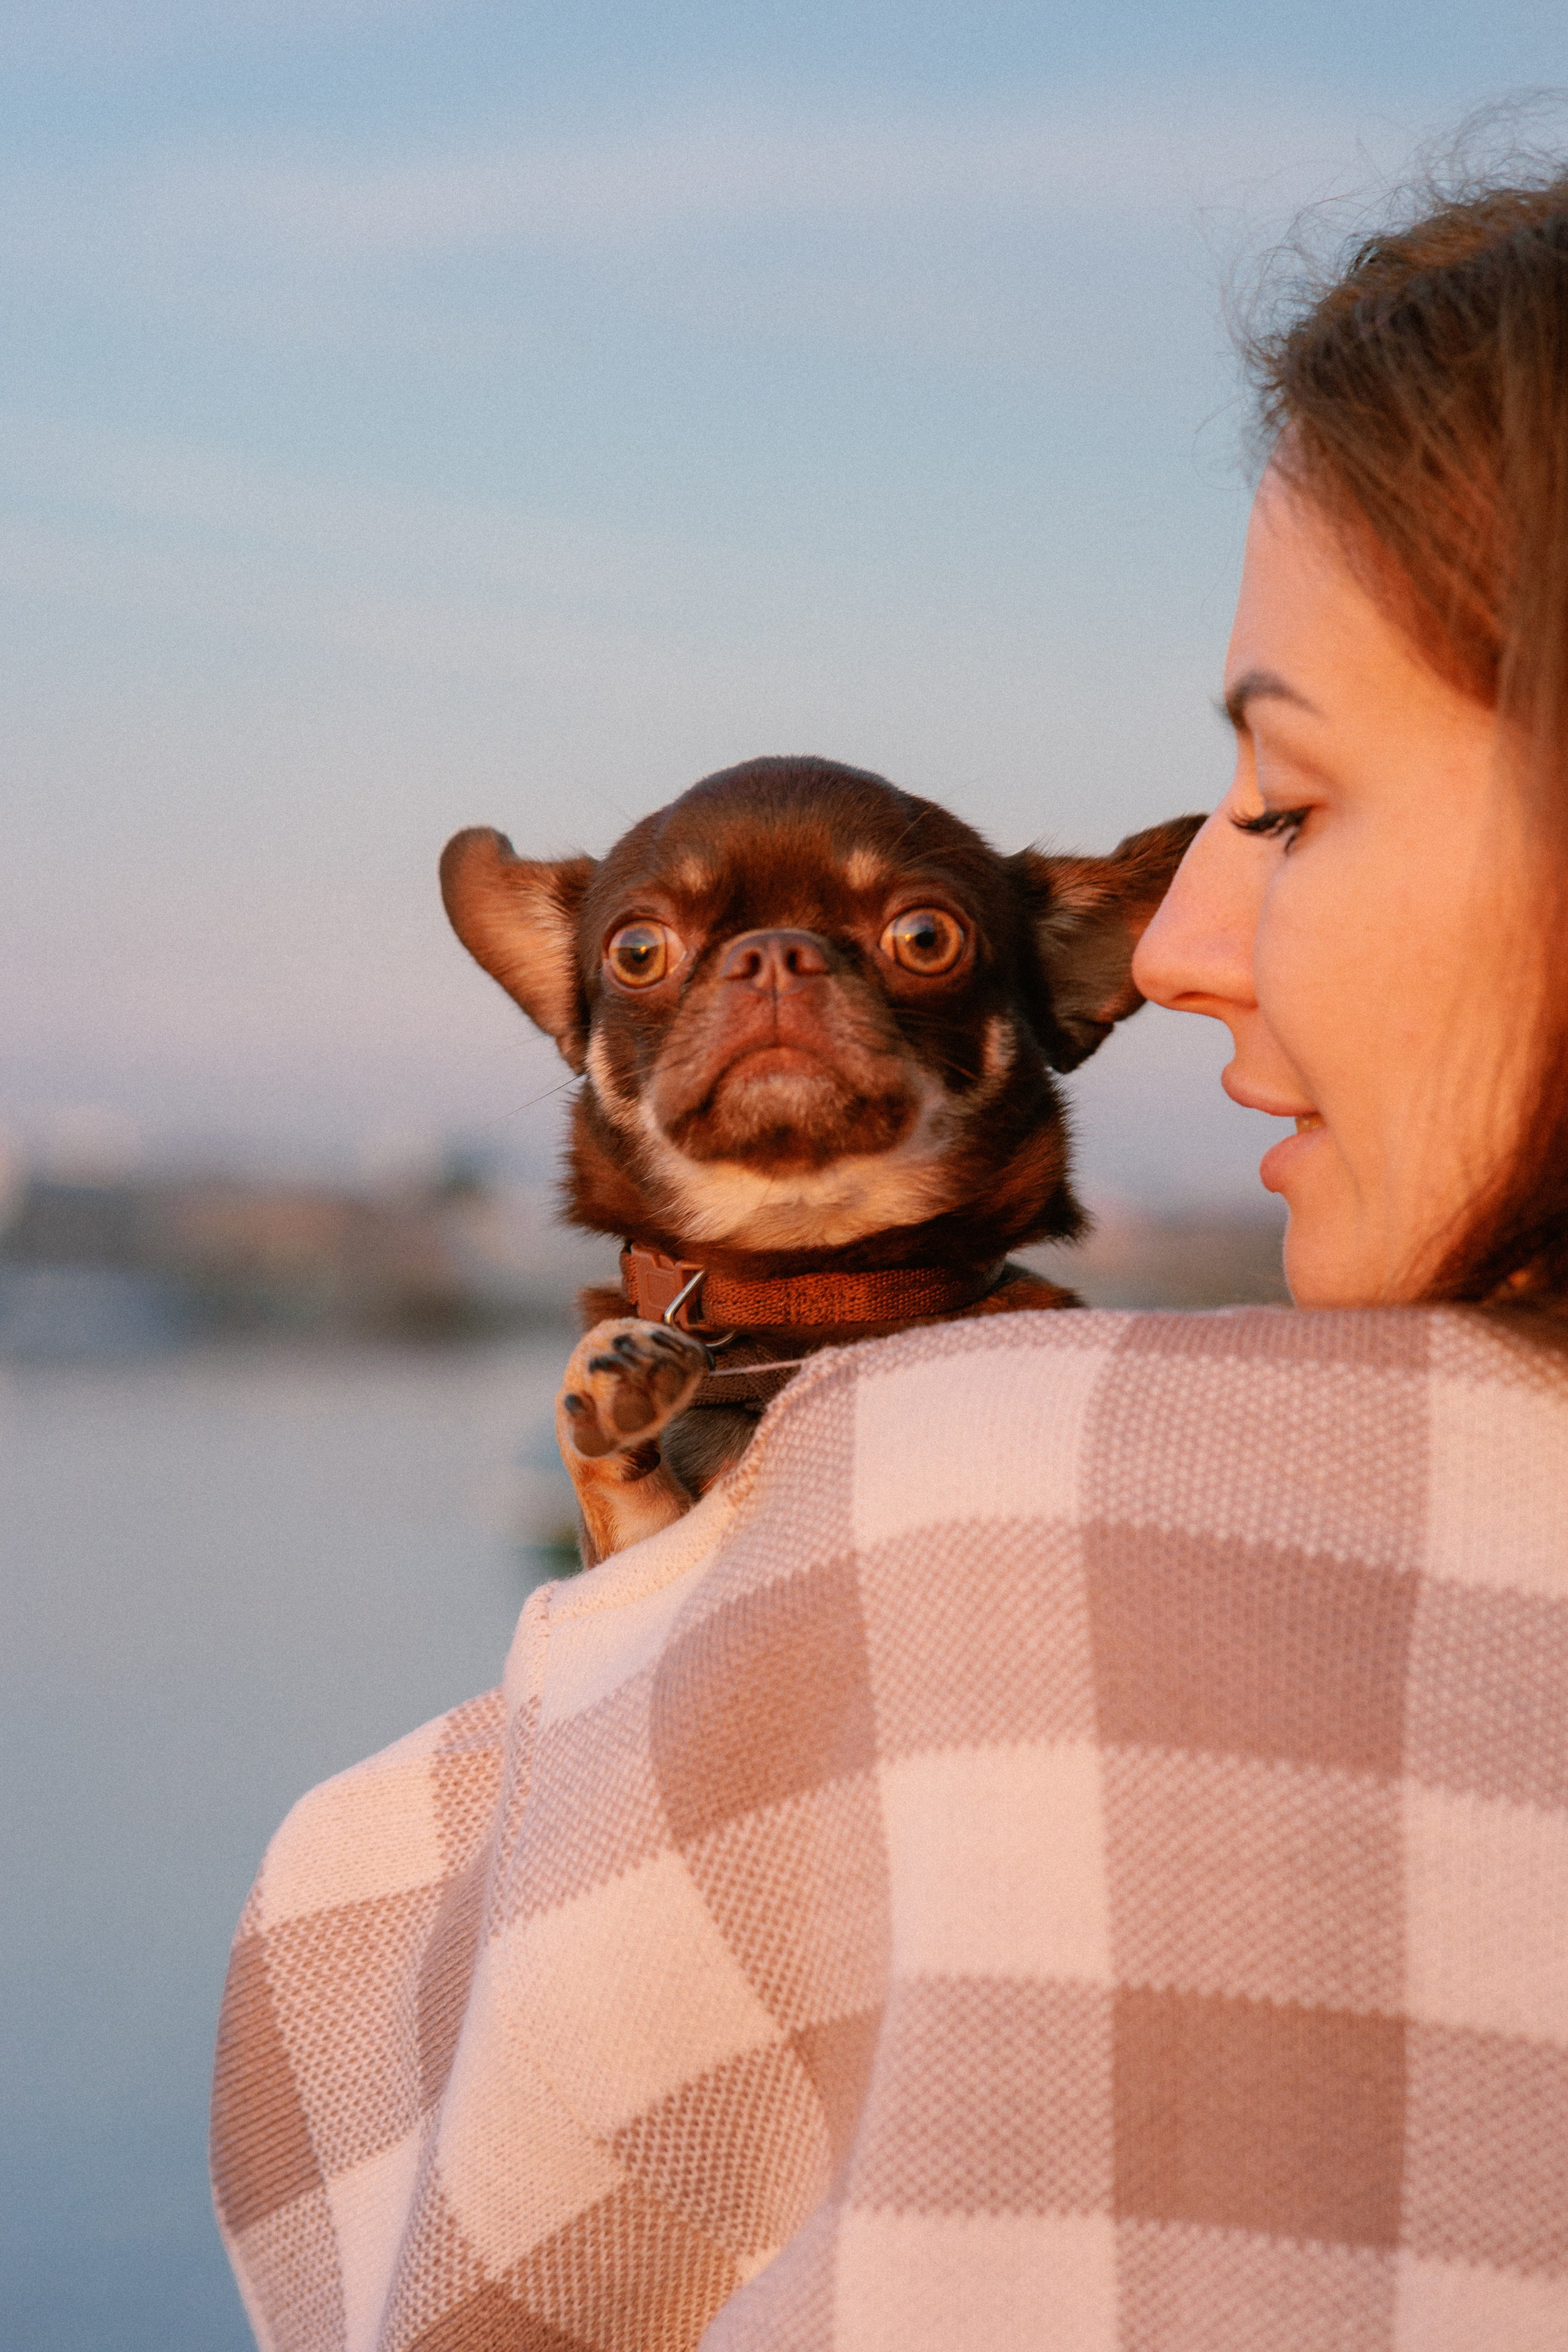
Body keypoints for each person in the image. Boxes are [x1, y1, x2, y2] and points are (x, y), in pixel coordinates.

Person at [211, 165, 1568, 2352]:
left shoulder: (1002, 1522)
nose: (1202, 942)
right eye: (663, 958)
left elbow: (385, 2174)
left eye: (1290, 808)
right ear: (580, 1006)